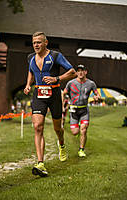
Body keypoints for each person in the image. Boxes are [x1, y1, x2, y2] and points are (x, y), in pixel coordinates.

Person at [24, 32, 76, 177]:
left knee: (57, 128)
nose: (36, 45)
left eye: (39, 42)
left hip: (54, 95)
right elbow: (31, 71)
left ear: (46, 42)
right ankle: (40, 163)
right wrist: (28, 84)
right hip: (39, 94)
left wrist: (56, 78)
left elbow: (73, 72)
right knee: (37, 126)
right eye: (34, 42)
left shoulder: (55, 56)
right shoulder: (30, 58)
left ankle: (62, 144)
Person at [62, 64, 100, 158]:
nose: (80, 72)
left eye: (82, 70)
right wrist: (63, 105)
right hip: (74, 110)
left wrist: (97, 97)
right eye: (78, 71)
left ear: (85, 72)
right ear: (76, 72)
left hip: (84, 110)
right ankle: (78, 129)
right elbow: (64, 93)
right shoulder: (71, 83)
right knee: (75, 132)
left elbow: (97, 94)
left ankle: (81, 149)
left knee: (84, 130)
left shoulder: (91, 83)